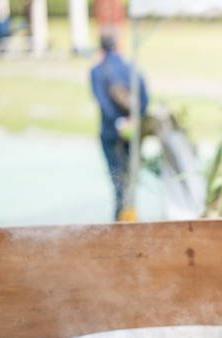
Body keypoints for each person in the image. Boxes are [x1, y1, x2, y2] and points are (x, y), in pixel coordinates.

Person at [91, 30, 148, 221]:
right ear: (117, 44)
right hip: (131, 132)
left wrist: (118, 122)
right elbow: (145, 98)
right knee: (130, 176)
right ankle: (129, 214)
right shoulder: (131, 67)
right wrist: (131, 121)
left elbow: (103, 104)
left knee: (117, 177)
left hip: (110, 132)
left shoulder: (97, 70)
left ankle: (121, 218)